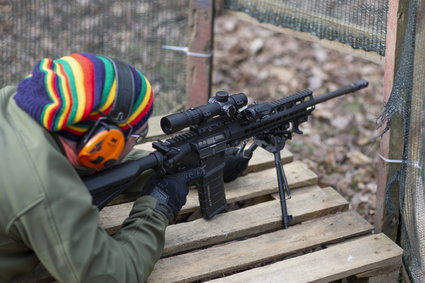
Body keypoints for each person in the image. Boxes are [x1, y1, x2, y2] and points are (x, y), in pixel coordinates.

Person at [0, 53, 204, 282]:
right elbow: (113, 276)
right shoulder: (43, 189)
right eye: (139, 134)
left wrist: (178, 162)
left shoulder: (12, 102)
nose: (139, 140)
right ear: (104, 141)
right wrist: (158, 204)